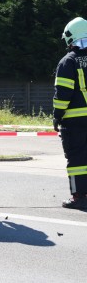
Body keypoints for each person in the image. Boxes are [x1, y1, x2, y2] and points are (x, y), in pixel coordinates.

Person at [53, 17, 87, 209]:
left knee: (76, 159)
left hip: (74, 120)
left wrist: (57, 115)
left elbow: (63, 94)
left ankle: (79, 198)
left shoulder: (68, 62)